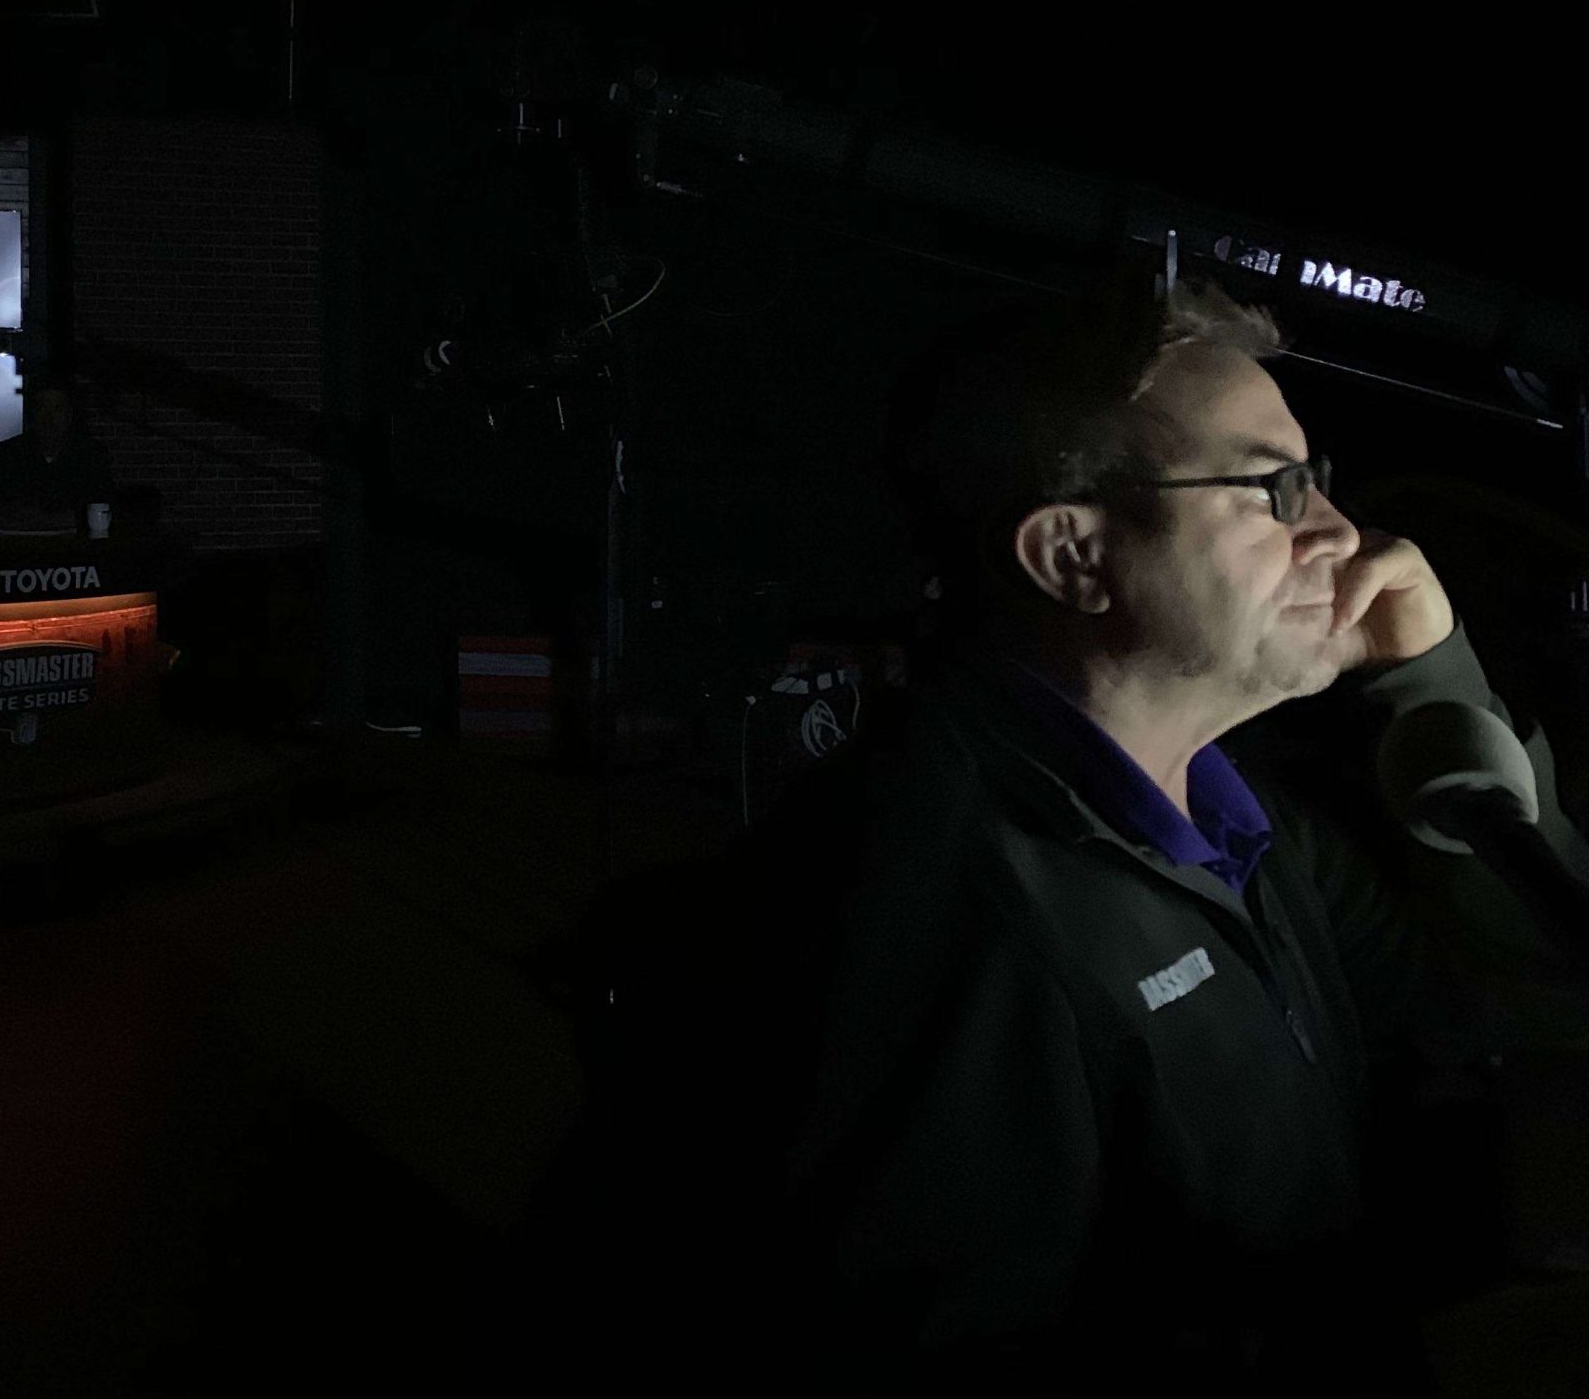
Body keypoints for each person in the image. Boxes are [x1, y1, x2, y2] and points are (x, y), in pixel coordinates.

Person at [578, 270, 1589, 1394]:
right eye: (1274, 490)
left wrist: (1431, 681)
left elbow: (1527, 1009)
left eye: (1319, 481)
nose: (1343, 534)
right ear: (1072, 555)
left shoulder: (1238, 825)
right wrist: (1428, 1368)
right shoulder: (946, 908)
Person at [0, 383, 116, 518]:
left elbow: (103, 505)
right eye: (42, 408)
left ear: (69, 415)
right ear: (32, 414)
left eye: (57, 409)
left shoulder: (91, 457)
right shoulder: (1, 458)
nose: (48, 417)